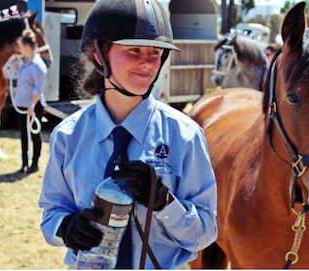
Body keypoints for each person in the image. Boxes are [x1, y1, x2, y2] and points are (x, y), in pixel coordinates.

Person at [38, 0, 218, 269]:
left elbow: (204, 233)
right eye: (133, 50)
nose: (146, 63)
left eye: (155, 52)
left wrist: (165, 203)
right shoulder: (67, 136)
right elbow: (51, 214)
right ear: (99, 55)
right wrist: (66, 227)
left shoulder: (186, 136)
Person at [14, 29, 47, 174]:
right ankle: (24, 163)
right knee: (23, 134)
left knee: (34, 134)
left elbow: (38, 89)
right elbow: (20, 77)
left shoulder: (38, 66)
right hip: (22, 104)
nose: (19, 49)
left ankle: (34, 163)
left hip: (34, 105)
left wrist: (32, 105)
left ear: (27, 47)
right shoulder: (26, 62)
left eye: (21, 46)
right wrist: (14, 64)